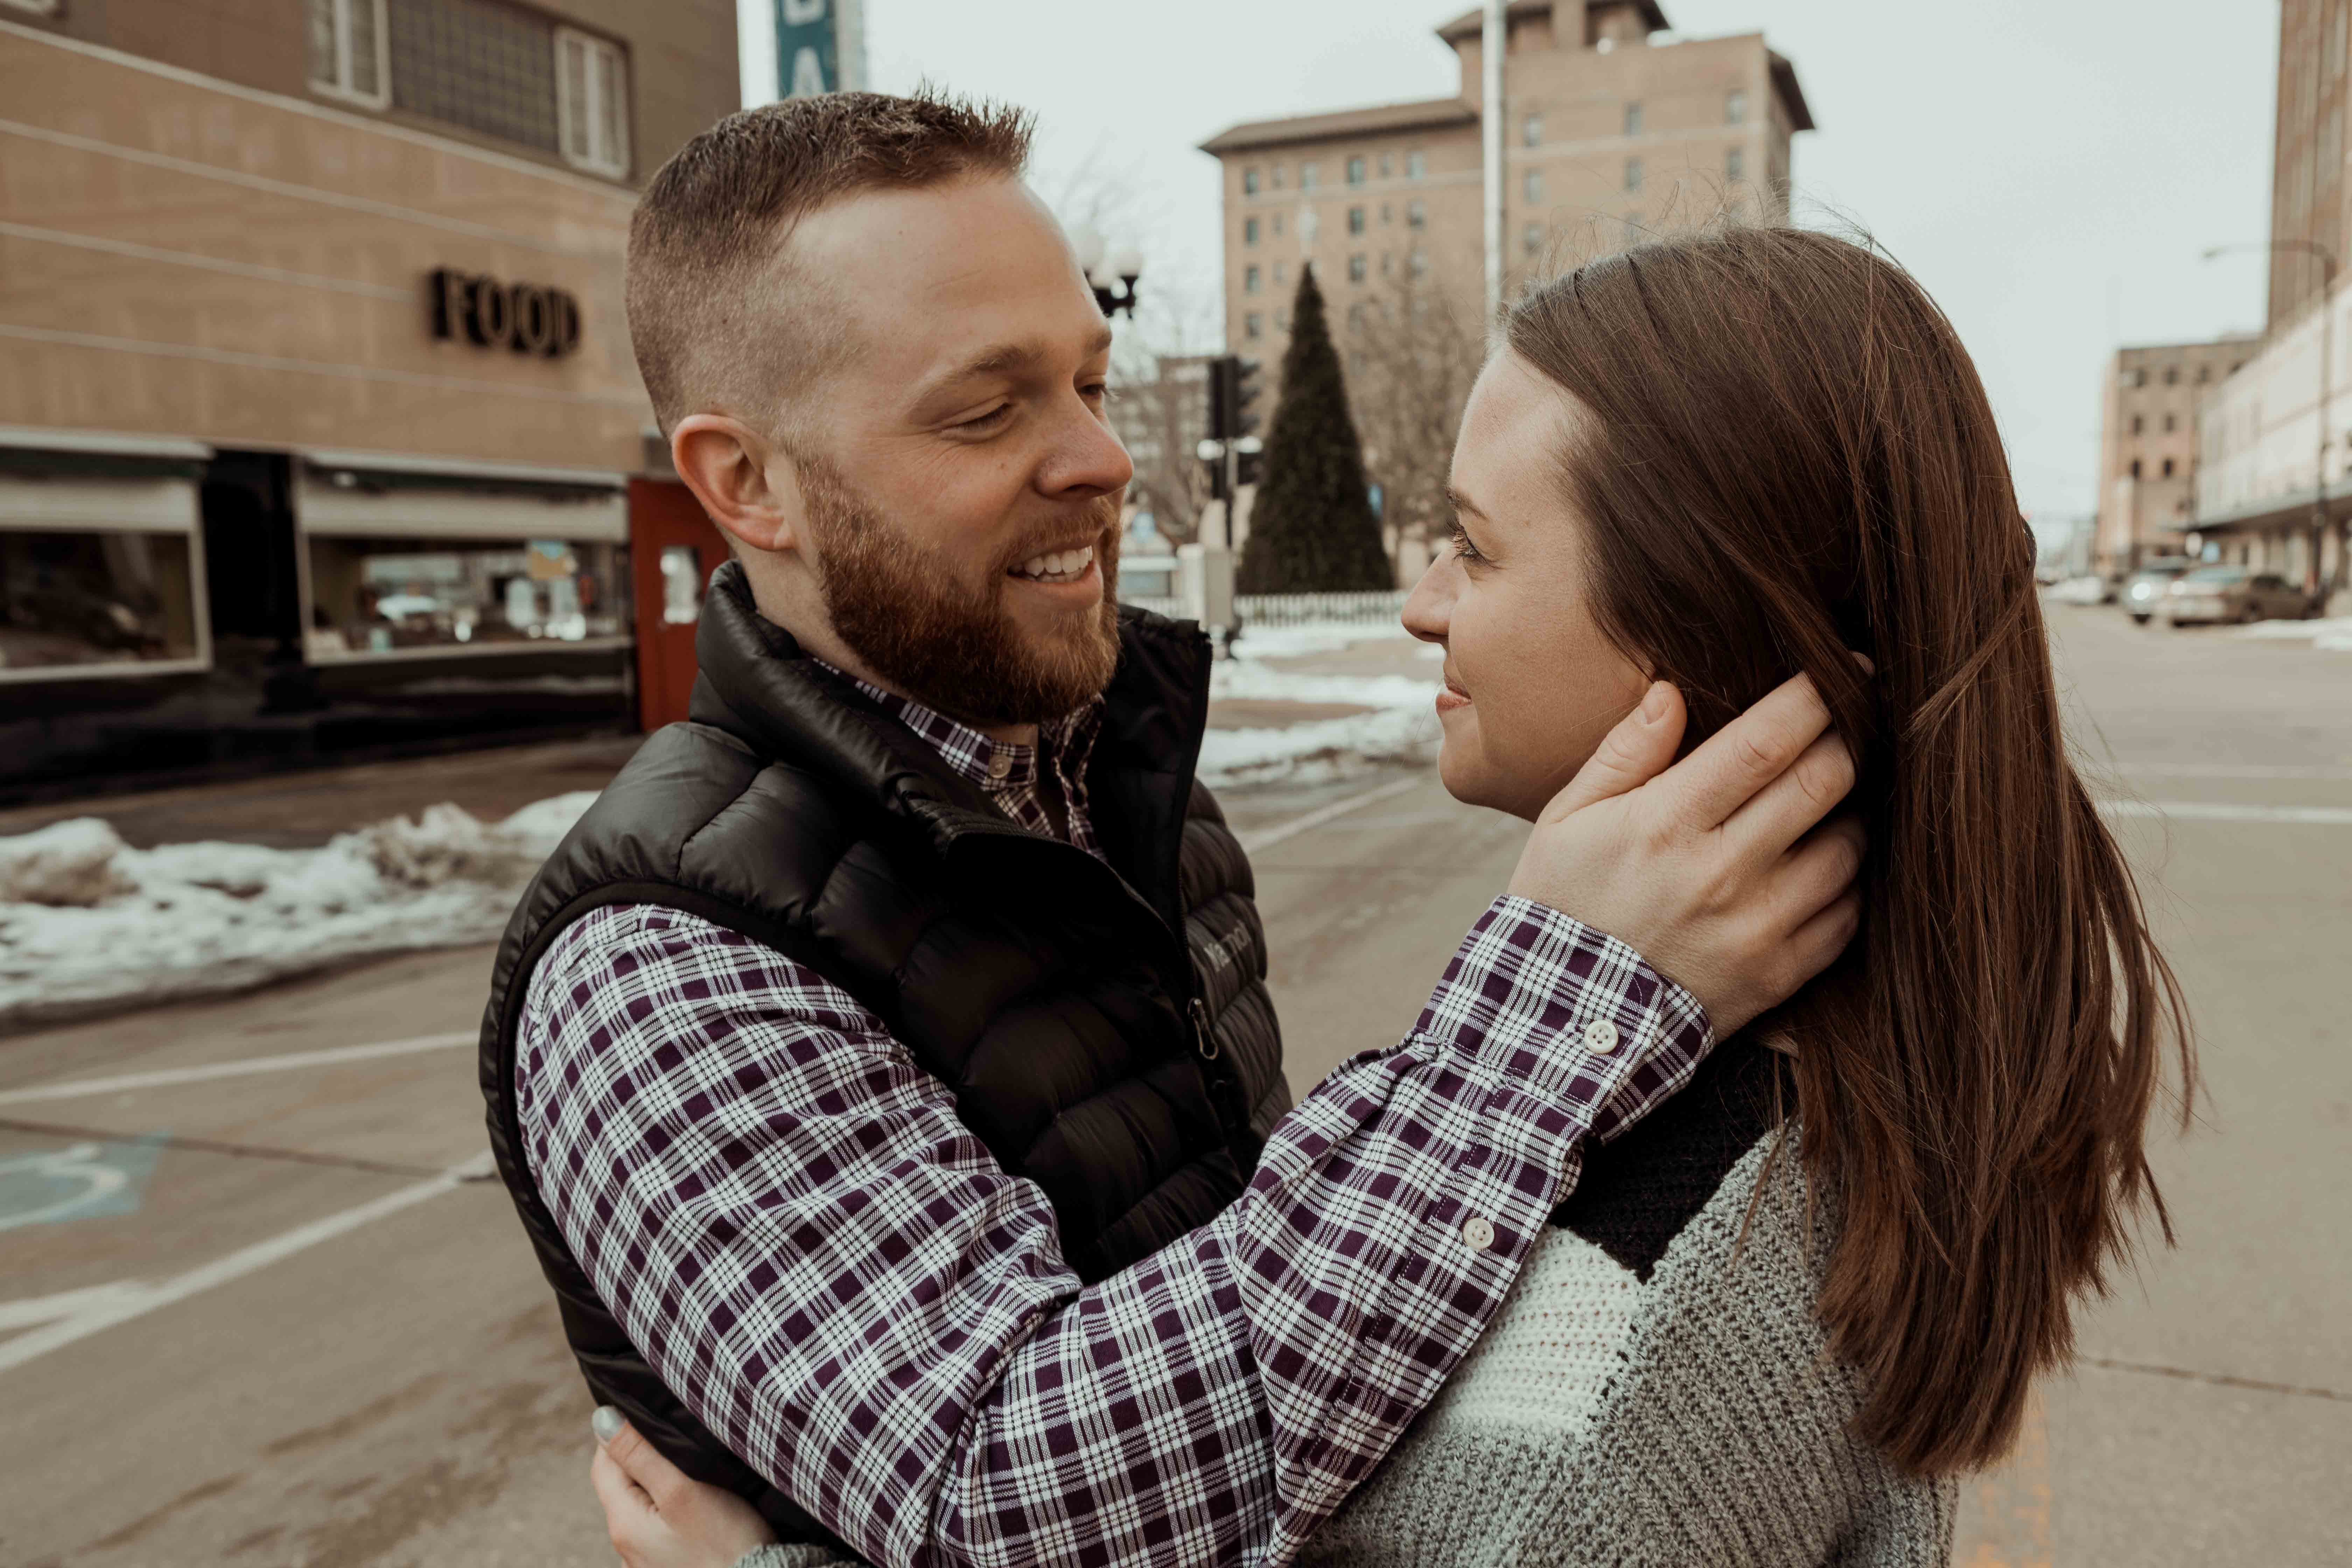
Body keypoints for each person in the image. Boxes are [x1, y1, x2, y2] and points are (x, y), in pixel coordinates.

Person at [586, 224, 2194, 1567]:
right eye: (983, 408)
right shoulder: (1739, 1066)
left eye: (1478, 551)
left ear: (1698, 628)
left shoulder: (1641, 1307)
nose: (1424, 603)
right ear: (748, 481)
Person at [479, 89, 1864, 1568]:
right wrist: (1550, 1020)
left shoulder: (1122, 776)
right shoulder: (663, 970)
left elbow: (1258, 1291)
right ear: (745, 483)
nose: (1100, 456)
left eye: (1089, 377)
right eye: (986, 407)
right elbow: (1009, 1500)